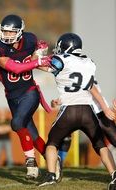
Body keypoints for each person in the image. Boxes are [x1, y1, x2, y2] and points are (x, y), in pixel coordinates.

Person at [38, 32, 116, 190]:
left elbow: (42, 66)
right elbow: (89, 85)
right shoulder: (89, 62)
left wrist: (37, 56)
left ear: (64, 46)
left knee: (52, 143)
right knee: (100, 144)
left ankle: (52, 175)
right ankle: (114, 175)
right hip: (87, 110)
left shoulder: (61, 59)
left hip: (69, 109)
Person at [0, 14, 51, 179]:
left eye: (11, 32)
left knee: (16, 123)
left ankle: (31, 162)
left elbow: (31, 61)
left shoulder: (30, 40)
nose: (7, 35)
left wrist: (39, 54)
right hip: (12, 96)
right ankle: (53, 161)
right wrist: (37, 61)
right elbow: (15, 68)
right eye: (5, 31)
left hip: (29, 91)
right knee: (33, 134)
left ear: (20, 32)